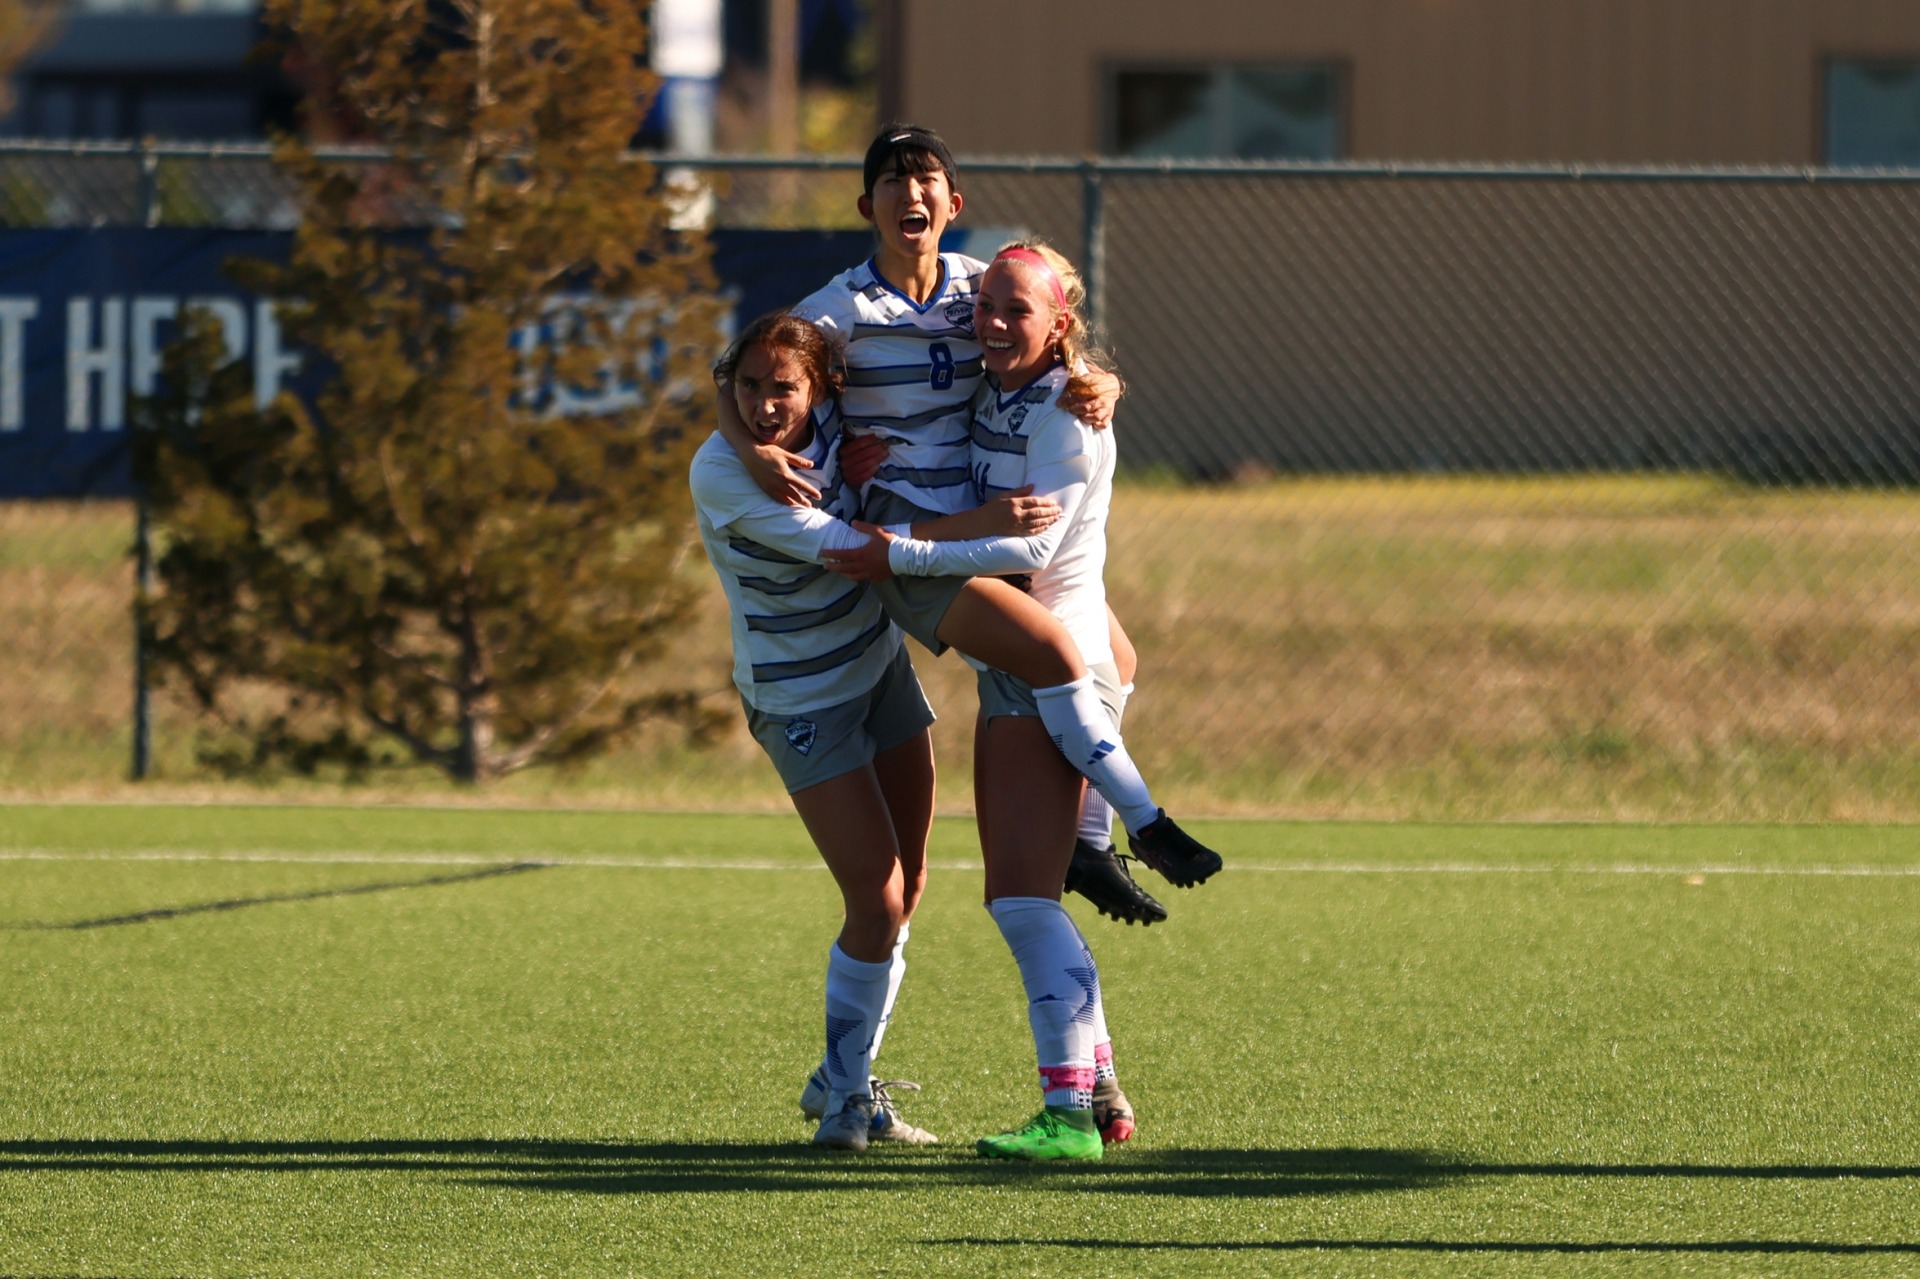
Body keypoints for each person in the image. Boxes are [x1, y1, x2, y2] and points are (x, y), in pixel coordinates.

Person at [713, 124, 1218, 934]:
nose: (909, 193)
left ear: (954, 201)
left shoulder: (977, 288)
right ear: (865, 205)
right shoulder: (838, 309)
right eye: (891, 181)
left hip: (990, 524)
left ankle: (1085, 838)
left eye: (925, 180)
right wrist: (752, 449)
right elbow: (733, 373)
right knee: (1053, 653)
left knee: (1116, 655)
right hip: (912, 534)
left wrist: (1103, 379)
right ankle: (1139, 822)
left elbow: (1053, 329)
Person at [689, 311, 1063, 1152]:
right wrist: (994, 529)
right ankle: (848, 1099)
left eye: (781, 386)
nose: (762, 404)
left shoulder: (832, 428)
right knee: (876, 894)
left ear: (818, 388)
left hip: (878, 672)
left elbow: (768, 404)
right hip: (801, 702)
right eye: (748, 387)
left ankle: (841, 1076)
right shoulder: (724, 473)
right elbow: (862, 551)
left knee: (912, 883)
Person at [824, 241, 1153, 1159]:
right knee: (1034, 895)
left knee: (1020, 903)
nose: (996, 323)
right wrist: (870, 455)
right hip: (1049, 657)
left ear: (1061, 323)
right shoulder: (997, 387)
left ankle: (1066, 1116)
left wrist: (899, 546)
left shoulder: (1063, 408)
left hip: (1051, 668)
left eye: (1020, 311)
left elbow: (1027, 555)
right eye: (989, 307)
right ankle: (1100, 1089)